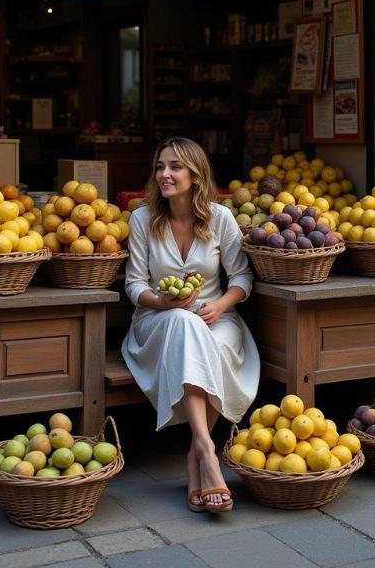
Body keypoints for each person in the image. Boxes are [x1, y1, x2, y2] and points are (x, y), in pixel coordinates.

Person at [121, 137, 259, 513]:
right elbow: (134, 284)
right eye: (160, 166)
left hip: (216, 317)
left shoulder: (221, 218)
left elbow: (242, 279)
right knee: (183, 321)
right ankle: (206, 451)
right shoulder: (142, 219)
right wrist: (162, 301)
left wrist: (219, 305)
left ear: (195, 175)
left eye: (175, 167)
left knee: (215, 341)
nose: (164, 174)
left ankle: (196, 455)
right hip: (157, 321)